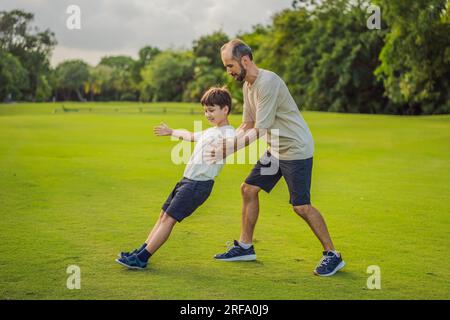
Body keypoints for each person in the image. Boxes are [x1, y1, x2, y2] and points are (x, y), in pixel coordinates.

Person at [209, 39, 345, 276]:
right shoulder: (248, 86)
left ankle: (332, 255)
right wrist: (228, 142)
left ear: (245, 60)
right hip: (276, 150)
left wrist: (229, 150)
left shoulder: (268, 83)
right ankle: (245, 247)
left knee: (301, 206)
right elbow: (247, 124)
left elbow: (259, 130)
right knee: (248, 189)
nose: (228, 71)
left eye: (230, 65)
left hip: (295, 149)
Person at [116, 87, 235, 270]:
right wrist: (171, 131)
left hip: (198, 185)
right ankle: (140, 251)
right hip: (186, 181)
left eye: (211, 110)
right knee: (163, 215)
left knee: (169, 219)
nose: (207, 114)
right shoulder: (211, 131)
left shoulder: (228, 133)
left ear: (225, 109)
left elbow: (235, 142)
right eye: (205, 111)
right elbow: (189, 135)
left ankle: (142, 258)